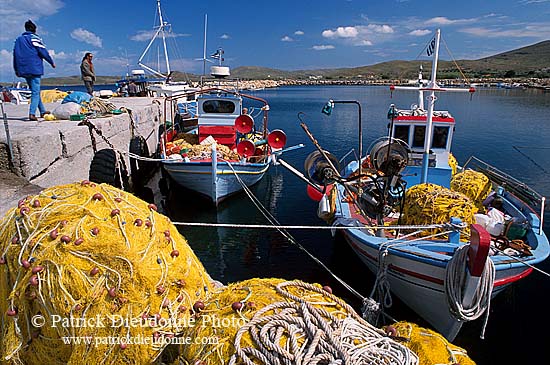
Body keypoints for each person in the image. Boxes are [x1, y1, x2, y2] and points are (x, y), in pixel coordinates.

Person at [13, 20, 56, 121]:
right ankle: (32, 113)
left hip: (23, 68)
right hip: (34, 68)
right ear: (34, 29)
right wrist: (51, 62)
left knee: (34, 91)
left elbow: (15, 55)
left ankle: (42, 111)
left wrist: (16, 69)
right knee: (36, 92)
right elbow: (43, 51)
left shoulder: (18, 40)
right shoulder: (34, 38)